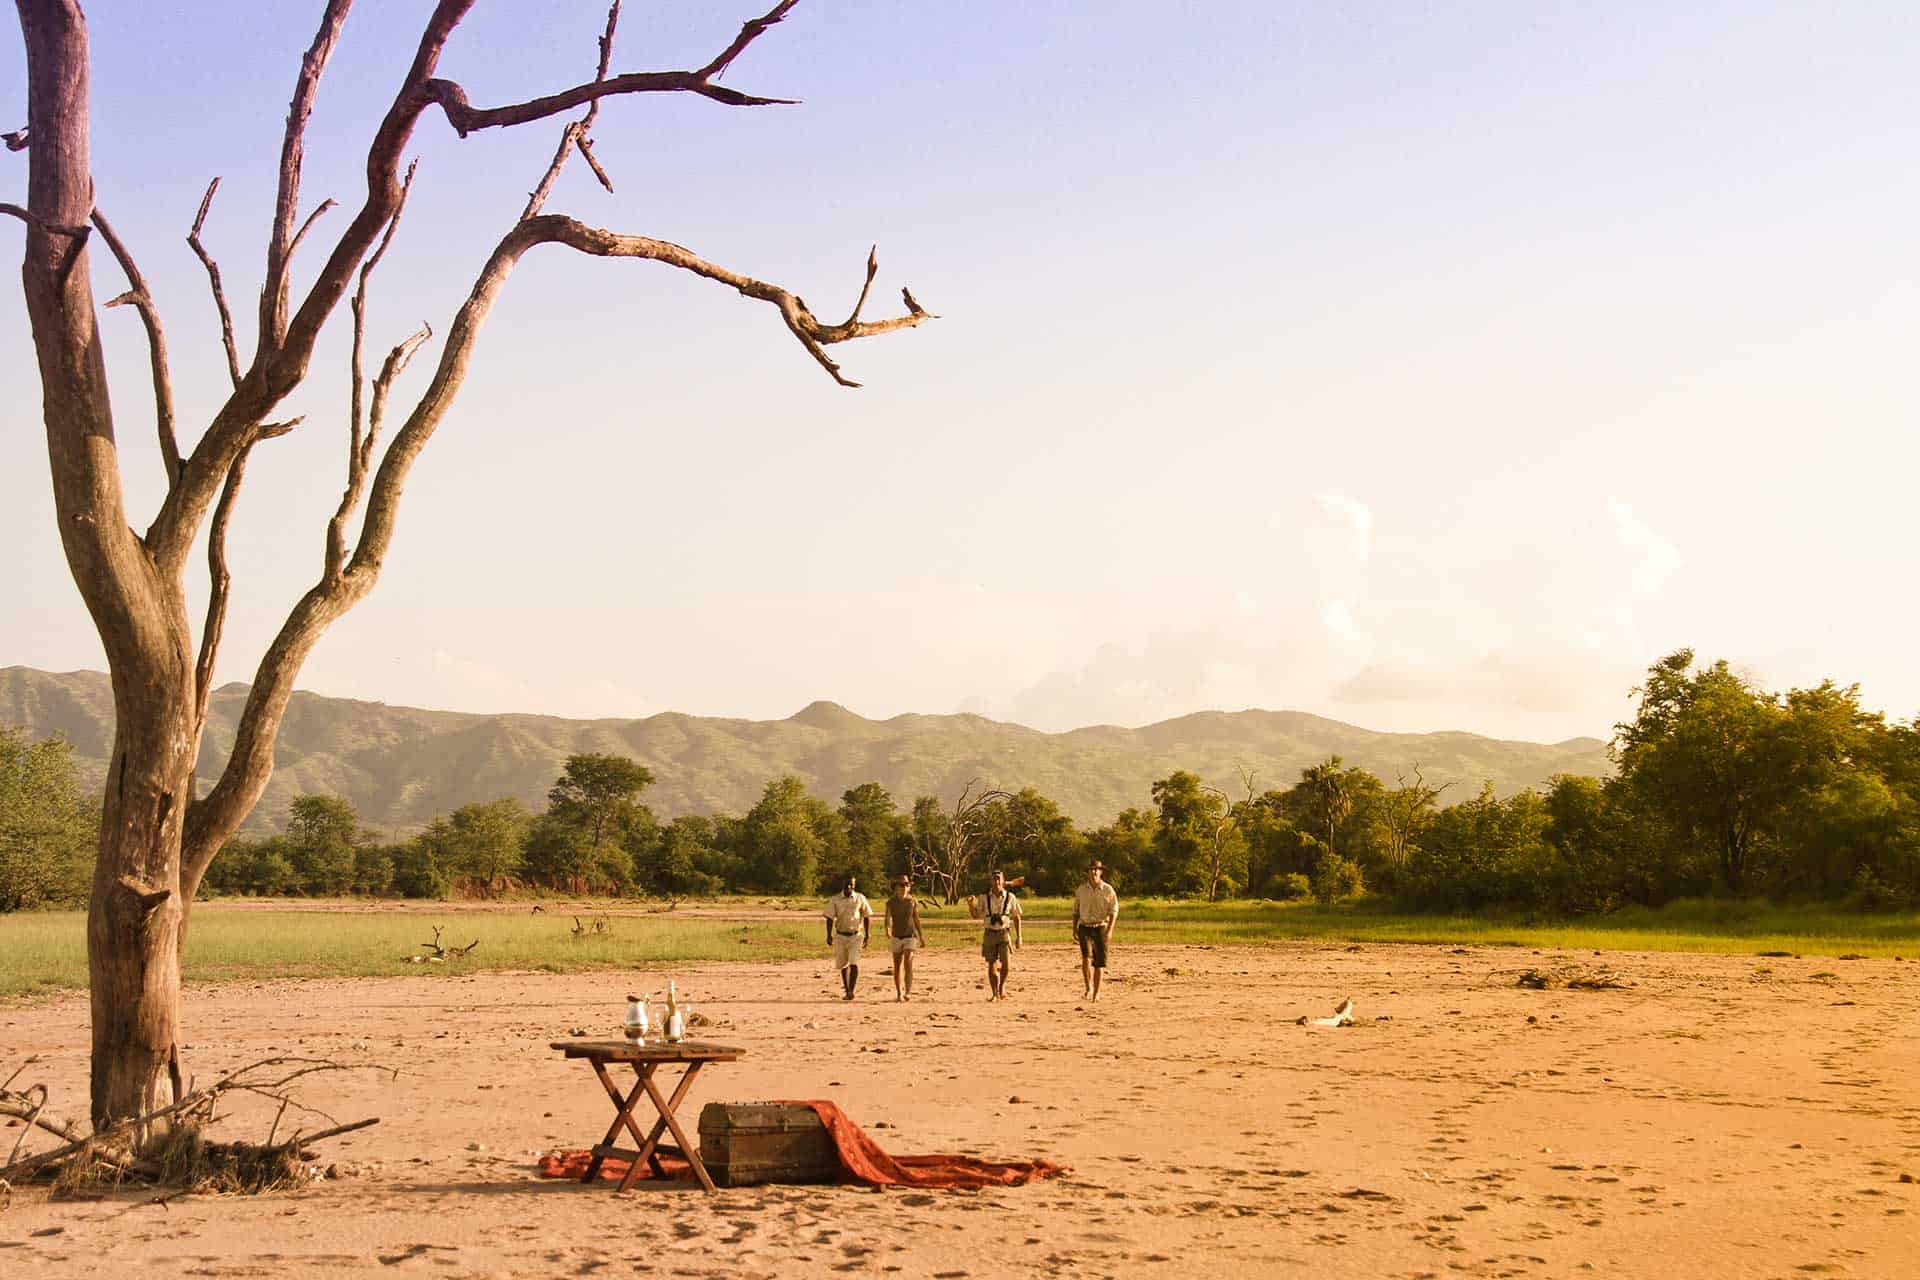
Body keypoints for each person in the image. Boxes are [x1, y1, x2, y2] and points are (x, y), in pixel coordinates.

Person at [1072, 860, 1120, 1000]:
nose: (1094, 872)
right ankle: (1088, 988)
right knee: (1086, 957)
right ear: (1088, 872)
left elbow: (1114, 911)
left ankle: (1096, 993)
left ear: (1101, 872)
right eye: (1091, 869)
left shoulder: (1108, 890)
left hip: (1101, 927)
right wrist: (1074, 928)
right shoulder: (1081, 890)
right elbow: (1076, 911)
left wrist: (1109, 930)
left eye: (1096, 869)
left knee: (1099, 962)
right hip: (1084, 927)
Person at [823, 873, 873, 1001]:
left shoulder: (860, 898)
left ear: (854, 885)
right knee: (843, 964)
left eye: (851, 884)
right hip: (840, 936)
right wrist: (828, 935)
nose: (849, 886)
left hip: (856, 935)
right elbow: (829, 918)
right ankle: (846, 989)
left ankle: (851, 990)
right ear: (843, 884)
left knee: (854, 962)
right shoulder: (835, 899)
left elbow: (866, 916)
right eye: (847, 884)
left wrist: (868, 935)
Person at [979, 868, 1022, 1001]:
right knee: (991, 964)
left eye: (999, 878)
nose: (996, 881)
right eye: (994, 878)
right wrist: (970, 905)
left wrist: (1019, 937)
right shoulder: (984, 897)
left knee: (1006, 963)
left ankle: (1002, 987)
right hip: (989, 933)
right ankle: (994, 993)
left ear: (1003, 881)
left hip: (1004, 932)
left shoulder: (1010, 897)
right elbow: (976, 914)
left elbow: (1016, 917)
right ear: (990, 881)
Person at [884, 874, 925, 1002]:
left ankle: (908, 991)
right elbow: (887, 918)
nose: (904, 887)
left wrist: (921, 936)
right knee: (897, 965)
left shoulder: (912, 901)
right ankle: (899, 993)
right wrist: (887, 929)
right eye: (901, 885)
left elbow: (916, 919)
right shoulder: (891, 903)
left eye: (907, 884)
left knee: (908, 960)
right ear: (896, 887)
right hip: (897, 936)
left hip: (910, 935)